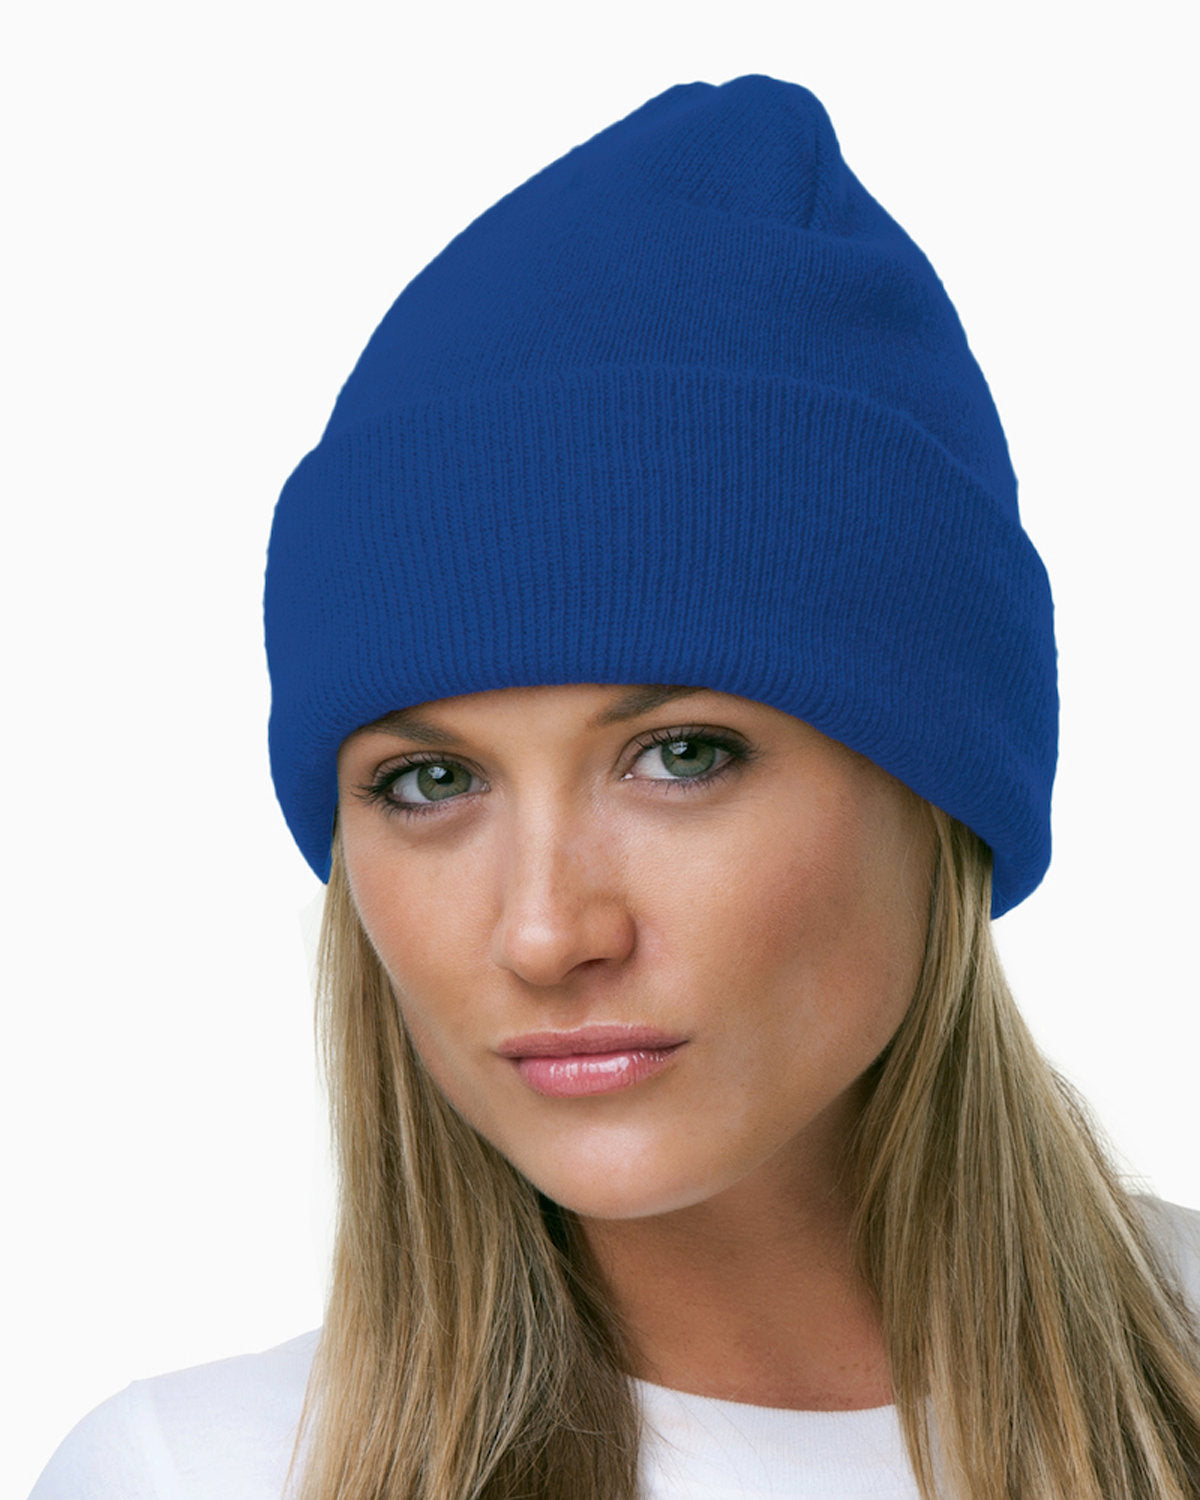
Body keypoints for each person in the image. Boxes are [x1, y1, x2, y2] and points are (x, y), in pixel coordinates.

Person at [29, 72, 1200, 1500]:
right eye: (430, 780)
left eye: (682, 756)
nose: (545, 932)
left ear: (942, 781)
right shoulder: (198, 1476)